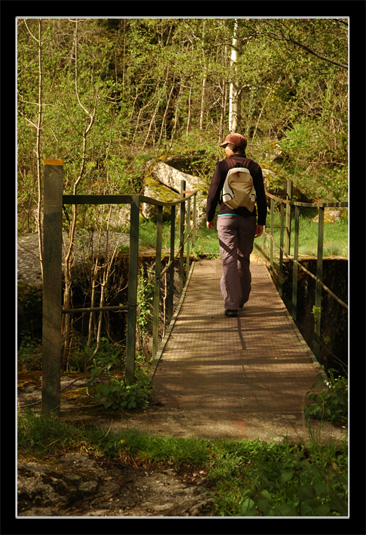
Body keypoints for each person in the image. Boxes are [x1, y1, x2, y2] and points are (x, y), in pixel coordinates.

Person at [206, 133, 267, 317]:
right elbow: (261, 197)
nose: (224, 149)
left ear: (233, 148)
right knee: (243, 258)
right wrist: (261, 221)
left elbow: (214, 192)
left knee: (228, 260)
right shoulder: (254, 167)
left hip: (226, 216)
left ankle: (231, 304)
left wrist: (209, 216)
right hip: (248, 218)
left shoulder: (223, 165)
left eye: (226, 146)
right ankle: (241, 299)